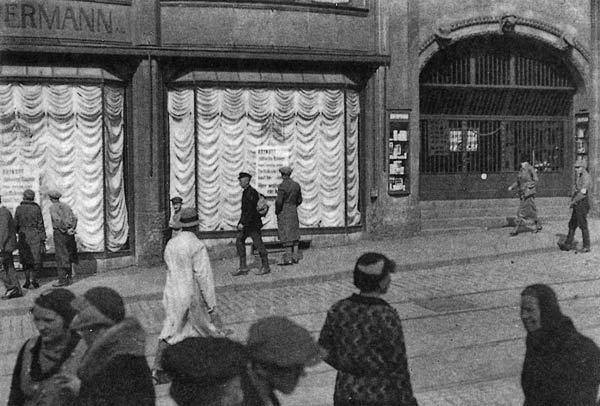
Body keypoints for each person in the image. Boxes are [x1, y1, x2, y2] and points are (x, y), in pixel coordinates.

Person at [319, 252, 418, 406]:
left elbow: (323, 349)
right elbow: (398, 366)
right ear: (382, 282)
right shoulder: (386, 315)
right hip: (379, 395)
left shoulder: (339, 308)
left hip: (345, 392)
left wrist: (347, 366)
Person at [161, 317, 321, 406]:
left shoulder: (257, 389)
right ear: (263, 368)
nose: (303, 373)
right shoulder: (241, 398)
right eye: (294, 367)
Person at [153, 207, 228, 385]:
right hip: (191, 294)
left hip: (172, 292)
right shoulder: (196, 245)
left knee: (172, 329)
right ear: (195, 226)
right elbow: (204, 276)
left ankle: (160, 369)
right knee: (205, 329)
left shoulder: (171, 244)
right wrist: (212, 304)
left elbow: (168, 268)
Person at [64, 286, 155, 405]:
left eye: (85, 330)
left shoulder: (119, 361)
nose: (83, 336)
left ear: (98, 330)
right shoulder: (122, 350)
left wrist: (80, 390)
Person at [520, 283, 600, 405]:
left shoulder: (579, 347)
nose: (524, 316)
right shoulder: (536, 341)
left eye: (529, 310)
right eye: (522, 309)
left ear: (547, 311)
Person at [8, 288, 84, 406]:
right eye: (37, 319)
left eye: (48, 320)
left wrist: (83, 390)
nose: (41, 327)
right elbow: (15, 396)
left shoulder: (86, 351)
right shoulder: (30, 348)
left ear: (67, 320)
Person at [233, 172, 270, 276]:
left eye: (241, 180)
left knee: (258, 244)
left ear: (247, 180)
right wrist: (242, 222)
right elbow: (245, 211)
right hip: (248, 224)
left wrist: (242, 223)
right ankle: (243, 267)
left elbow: (249, 211)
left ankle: (266, 266)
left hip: (253, 224)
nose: (239, 182)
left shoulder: (250, 192)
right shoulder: (247, 192)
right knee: (239, 241)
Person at [14, 189, 46, 289]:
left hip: (23, 235)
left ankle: (27, 281)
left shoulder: (19, 208)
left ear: (24, 197)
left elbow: (15, 224)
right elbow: (41, 224)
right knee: (35, 258)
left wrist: (18, 231)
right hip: (35, 235)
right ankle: (34, 280)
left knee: (25, 259)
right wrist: (43, 238)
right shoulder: (37, 209)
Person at [558, 160, 592, 253]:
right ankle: (568, 244)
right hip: (578, 203)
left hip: (582, 203)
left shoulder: (586, 177)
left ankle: (586, 246)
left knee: (583, 225)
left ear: (583, 167)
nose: (576, 169)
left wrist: (573, 201)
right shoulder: (580, 176)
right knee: (572, 224)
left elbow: (583, 192)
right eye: (575, 167)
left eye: (578, 167)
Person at [48, 190, 78, 287]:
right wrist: (72, 228)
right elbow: (75, 218)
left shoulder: (53, 207)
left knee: (60, 255)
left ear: (51, 198)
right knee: (68, 253)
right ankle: (69, 277)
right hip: (69, 233)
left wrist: (65, 229)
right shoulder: (66, 206)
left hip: (60, 233)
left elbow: (57, 220)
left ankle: (62, 280)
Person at [507, 154, 542, 236]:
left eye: (523, 162)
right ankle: (538, 225)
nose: (522, 164)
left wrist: (528, 186)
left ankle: (515, 230)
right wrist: (512, 187)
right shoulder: (521, 169)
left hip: (528, 193)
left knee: (521, 211)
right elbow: (518, 181)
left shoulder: (530, 168)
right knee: (531, 211)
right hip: (523, 193)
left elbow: (536, 180)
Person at [275, 166, 303, 266]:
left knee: (286, 235)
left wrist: (277, 211)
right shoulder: (296, 185)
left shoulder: (282, 186)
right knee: (294, 234)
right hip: (293, 210)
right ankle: (295, 257)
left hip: (284, 211)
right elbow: (300, 200)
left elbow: (279, 201)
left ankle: (288, 258)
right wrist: (293, 205)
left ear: (282, 175)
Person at [0, 195, 23, 300]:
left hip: (4, 246)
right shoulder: (4, 211)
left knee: (3, 267)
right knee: (9, 267)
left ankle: (10, 287)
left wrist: (0, 245)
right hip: (7, 245)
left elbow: (3, 231)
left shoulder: (2, 213)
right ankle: (17, 290)